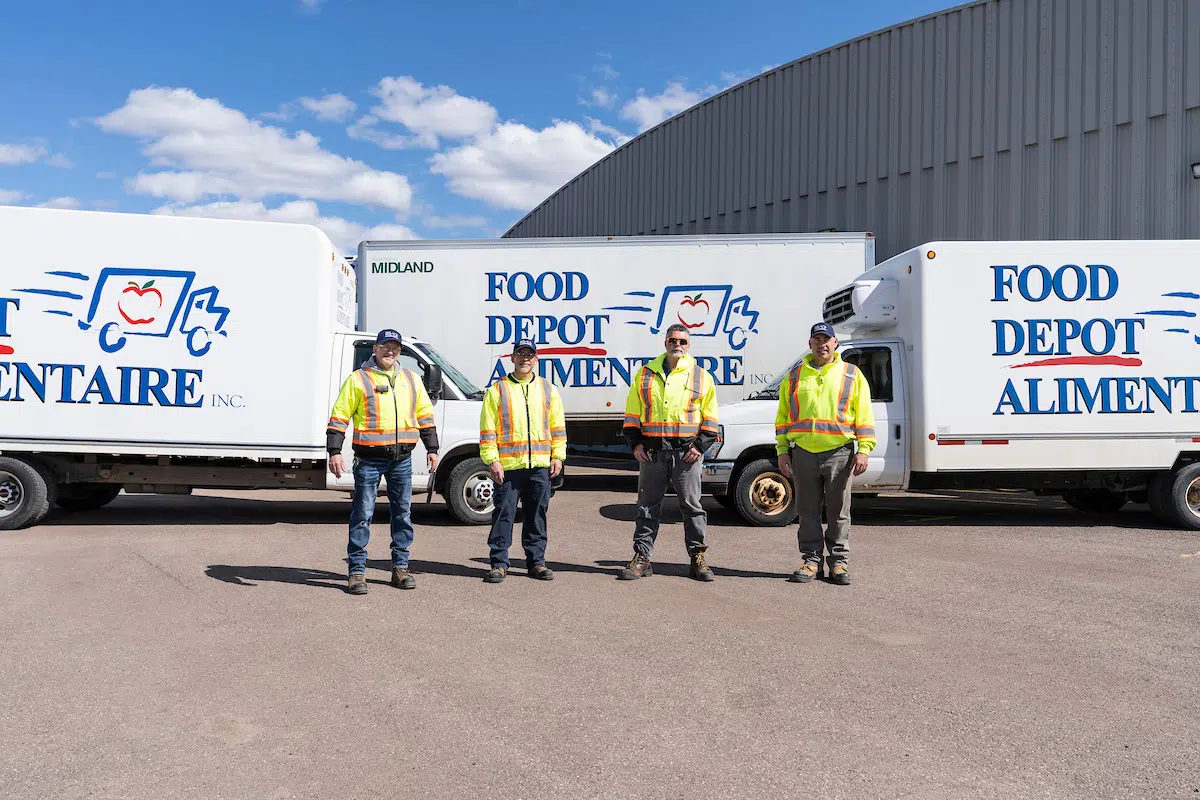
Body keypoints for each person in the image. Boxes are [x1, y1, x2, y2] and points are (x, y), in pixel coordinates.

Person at [327, 328, 439, 595]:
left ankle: (400, 569)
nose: (390, 352)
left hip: (402, 460)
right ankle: (356, 573)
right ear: (374, 349)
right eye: (385, 347)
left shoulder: (411, 379)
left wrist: (432, 448)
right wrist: (334, 451)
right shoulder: (358, 379)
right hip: (368, 460)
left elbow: (425, 416)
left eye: (395, 348)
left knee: (402, 515)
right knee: (362, 515)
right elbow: (339, 416)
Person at [618, 323, 720, 582]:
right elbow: (632, 413)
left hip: (687, 455)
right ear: (665, 343)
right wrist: (635, 443)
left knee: (692, 507)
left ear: (689, 345)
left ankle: (698, 557)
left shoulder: (701, 376)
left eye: (683, 341)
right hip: (652, 453)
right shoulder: (645, 374)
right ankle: (642, 558)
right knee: (647, 508)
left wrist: (700, 446)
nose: (678, 345)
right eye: (673, 340)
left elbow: (711, 418)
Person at [775, 322, 875, 586]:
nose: (822, 344)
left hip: (839, 453)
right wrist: (782, 450)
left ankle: (838, 563)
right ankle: (811, 561)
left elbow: (864, 415)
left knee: (838, 511)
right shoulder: (794, 376)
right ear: (810, 344)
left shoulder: (851, 374)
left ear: (835, 344)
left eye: (826, 339)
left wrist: (864, 449)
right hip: (804, 453)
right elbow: (784, 417)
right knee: (807, 511)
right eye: (817, 339)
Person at [478, 338, 567, 583]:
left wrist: (558, 456)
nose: (525, 359)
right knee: (503, 515)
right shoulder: (498, 389)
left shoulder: (548, 389)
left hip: (539, 466)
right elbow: (487, 430)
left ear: (535, 360)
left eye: (529, 355)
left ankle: (536, 562)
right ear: (513, 358)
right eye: (521, 354)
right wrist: (492, 460)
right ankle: (498, 563)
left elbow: (557, 427)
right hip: (507, 467)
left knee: (537, 515)